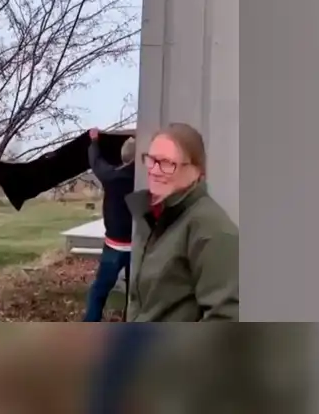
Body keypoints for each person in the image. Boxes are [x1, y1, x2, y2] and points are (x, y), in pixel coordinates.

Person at [125, 122, 239, 321]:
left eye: (168, 163)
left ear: (197, 170)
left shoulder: (211, 228)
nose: (155, 170)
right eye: (151, 159)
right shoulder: (153, 217)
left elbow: (226, 320)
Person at [83, 128, 136, 322]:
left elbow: (96, 162)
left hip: (114, 246)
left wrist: (94, 141)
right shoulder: (147, 181)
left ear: (123, 157)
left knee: (99, 290)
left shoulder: (112, 177)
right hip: (138, 247)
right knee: (135, 294)